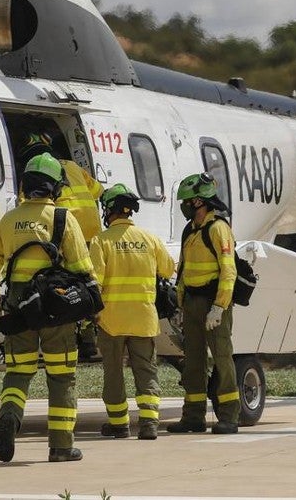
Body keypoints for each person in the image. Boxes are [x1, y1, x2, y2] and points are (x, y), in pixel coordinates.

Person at [0, 152, 94, 463]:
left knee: (18, 371)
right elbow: (83, 267)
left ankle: (10, 417)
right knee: (61, 375)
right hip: (57, 303)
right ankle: (61, 446)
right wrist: (88, 306)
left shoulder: (6, 221)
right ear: (55, 188)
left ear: (26, 187)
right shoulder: (63, 218)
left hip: (18, 306)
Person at [89, 183, 175, 441]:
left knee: (113, 372)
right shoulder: (150, 239)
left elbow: (95, 281)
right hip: (143, 319)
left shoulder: (100, 241)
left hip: (111, 320)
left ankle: (119, 424)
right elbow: (169, 270)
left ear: (110, 211)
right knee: (146, 371)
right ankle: (149, 424)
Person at [19, 132, 104, 362]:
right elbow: (98, 191)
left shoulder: (33, 176)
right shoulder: (72, 166)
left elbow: (26, 205)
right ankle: (89, 338)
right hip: (91, 228)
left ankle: (68, 332)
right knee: (85, 280)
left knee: (63, 282)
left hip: (66, 227)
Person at [167, 172, 240, 435]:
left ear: (198, 202)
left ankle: (230, 416)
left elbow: (228, 271)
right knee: (194, 362)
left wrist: (219, 307)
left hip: (213, 305)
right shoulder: (191, 230)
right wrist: (180, 305)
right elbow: (184, 271)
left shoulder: (218, 229)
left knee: (222, 358)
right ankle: (193, 418)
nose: (184, 206)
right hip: (192, 304)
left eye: (187, 201)